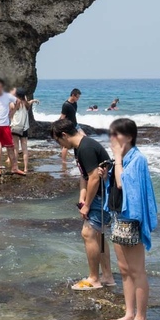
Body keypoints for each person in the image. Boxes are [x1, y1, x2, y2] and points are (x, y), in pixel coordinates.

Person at [105, 118, 158, 320]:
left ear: (128, 137)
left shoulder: (137, 159)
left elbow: (122, 183)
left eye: (115, 134)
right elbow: (114, 184)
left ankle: (141, 318)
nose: (111, 138)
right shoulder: (122, 159)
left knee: (137, 270)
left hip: (132, 220)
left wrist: (117, 159)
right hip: (118, 217)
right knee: (124, 269)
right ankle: (129, 313)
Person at [50, 119, 114, 290]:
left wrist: (87, 205)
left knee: (88, 234)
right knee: (98, 235)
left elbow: (94, 178)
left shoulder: (86, 148)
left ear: (64, 135)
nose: (59, 145)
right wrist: (82, 197)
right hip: (98, 195)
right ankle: (107, 276)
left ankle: (94, 279)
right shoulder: (80, 147)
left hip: (102, 196)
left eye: (58, 141)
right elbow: (84, 175)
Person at [9, 88, 38, 174]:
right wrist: (33, 100)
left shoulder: (13, 104)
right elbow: (29, 102)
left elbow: (9, 111)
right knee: (25, 149)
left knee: (16, 148)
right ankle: (25, 168)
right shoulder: (26, 105)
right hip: (24, 128)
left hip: (15, 127)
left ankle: (15, 167)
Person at [59, 88, 81, 165]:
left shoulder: (75, 103)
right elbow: (62, 117)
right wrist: (59, 127)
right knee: (66, 146)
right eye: (77, 97)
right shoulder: (66, 105)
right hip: (68, 127)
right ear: (73, 95)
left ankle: (77, 159)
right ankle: (63, 162)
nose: (78, 99)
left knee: (80, 141)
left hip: (75, 125)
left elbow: (73, 115)